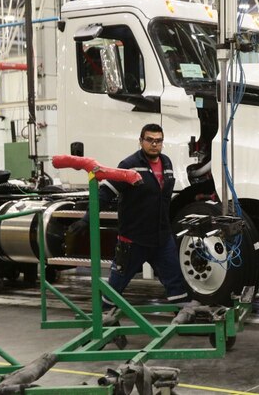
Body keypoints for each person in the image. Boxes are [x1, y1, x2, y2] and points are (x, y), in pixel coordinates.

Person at [69, 123, 189, 309]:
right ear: (141, 141)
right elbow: (105, 193)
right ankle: (106, 322)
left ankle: (183, 319)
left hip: (161, 239)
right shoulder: (129, 165)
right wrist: (87, 219)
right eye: (149, 140)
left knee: (176, 283)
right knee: (116, 286)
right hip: (133, 240)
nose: (154, 144)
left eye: (158, 140)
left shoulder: (167, 163)